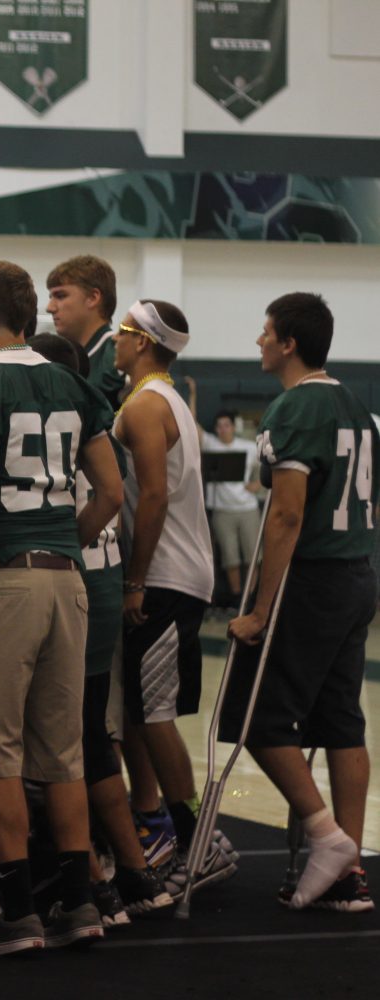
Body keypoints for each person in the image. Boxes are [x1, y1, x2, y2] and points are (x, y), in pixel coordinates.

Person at [0, 260, 122, 956]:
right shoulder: (74, 384)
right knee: (63, 753)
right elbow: (110, 495)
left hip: (3, 579)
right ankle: (80, 903)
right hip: (66, 582)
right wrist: (59, 545)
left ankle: (18, 910)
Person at [221, 292, 376, 912]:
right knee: (341, 720)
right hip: (359, 573)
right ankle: (350, 871)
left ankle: (326, 836)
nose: (258, 341)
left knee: (253, 718)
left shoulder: (296, 407)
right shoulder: (358, 409)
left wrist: (259, 607)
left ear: (288, 343)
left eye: (265, 333)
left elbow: (285, 513)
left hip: (313, 579)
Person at [27, 333, 175, 923]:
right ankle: (134, 874)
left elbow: (109, 498)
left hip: (71, 577)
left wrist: (63, 544)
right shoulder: (98, 414)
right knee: (90, 734)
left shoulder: (50, 417)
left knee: (57, 741)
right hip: (104, 578)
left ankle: (91, 878)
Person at [112, 301, 227, 889]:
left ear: (142, 341)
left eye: (122, 332)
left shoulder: (145, 405)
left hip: (165, 576)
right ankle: (167, 827)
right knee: (142, 709)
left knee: (154, 715)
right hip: (176, 572)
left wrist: (134, 579)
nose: (114, 339)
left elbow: (152, 496)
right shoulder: (172, 396)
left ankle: (198, 837)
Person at [186, 377, 263, 603]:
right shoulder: (211, 443)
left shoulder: (248, 447)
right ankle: (236, 599)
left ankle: (250, 601)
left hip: (248, 510)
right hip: (222, 511)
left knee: (252, 557)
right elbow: (191, 422)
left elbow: (267, 468)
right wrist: (193, 394)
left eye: (226, 425)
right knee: (230, 559)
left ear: (233, 426)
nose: (222, 429)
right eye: (219, 425)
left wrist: (257, 485)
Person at [46, 255, 124, 403]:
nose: (50, 307)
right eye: (51, 297)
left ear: (93, 298)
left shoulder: (118, 355)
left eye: (60, 296)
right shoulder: (58, 358)